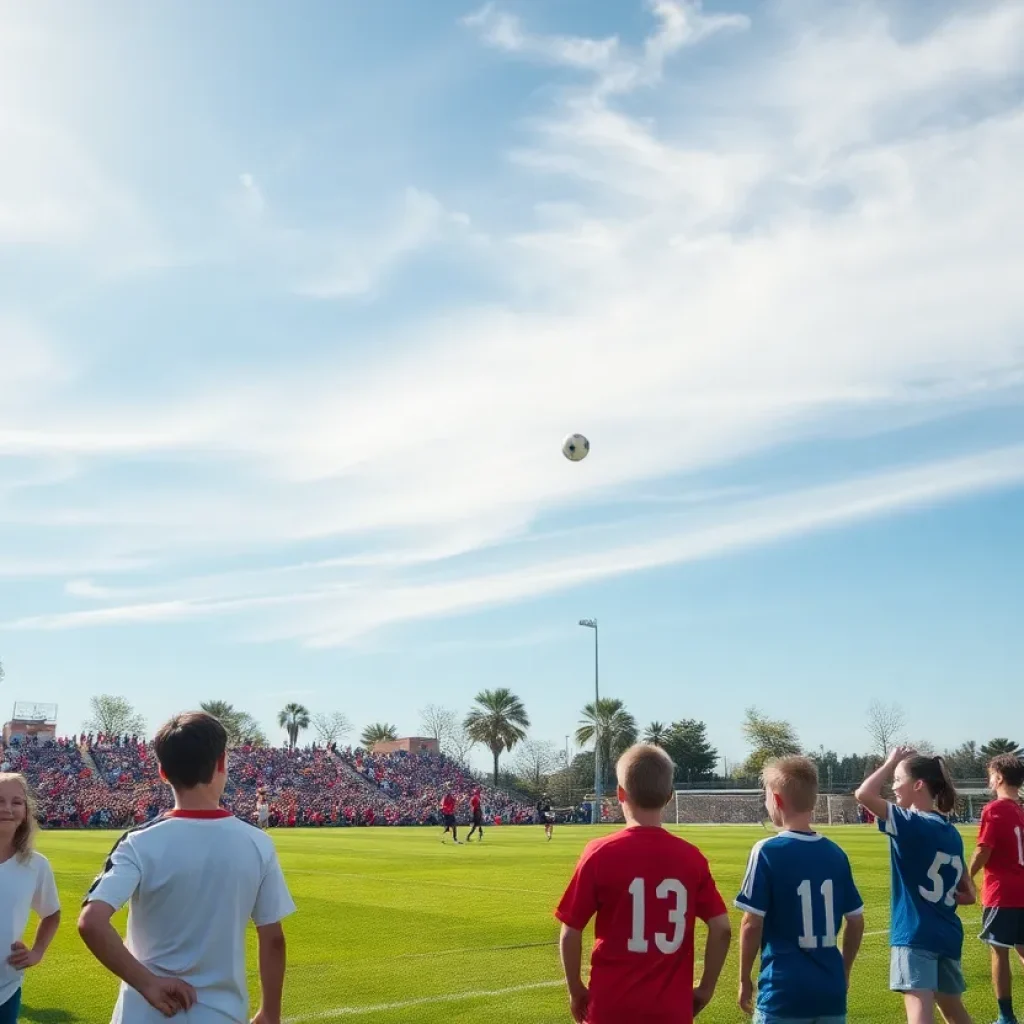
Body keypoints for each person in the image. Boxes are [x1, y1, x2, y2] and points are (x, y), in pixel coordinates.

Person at [78, 711, 296, 1024]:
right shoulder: (257, 843)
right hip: (221, 1014)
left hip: (143, 1014)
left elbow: (91, 922)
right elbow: (273, 938)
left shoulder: (139, 842)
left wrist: (148, 983)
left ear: (162, 771)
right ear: (222, 763)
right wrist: (270, 1013)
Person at [555, 743, 731, 1023]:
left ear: (620, 794)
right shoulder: (691, 858)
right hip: (671, 1011)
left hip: (611, 1008)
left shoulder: (600, 852)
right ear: (670, 797)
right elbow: (721, 928)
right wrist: (705, 989)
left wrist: (576, 990)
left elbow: (570, 931)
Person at [736, 756, 865, 1024]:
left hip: (783, 991)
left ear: (777, 800)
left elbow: (751, 923)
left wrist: (744, 978)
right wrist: (844, 969)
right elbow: (855, 920)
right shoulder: (836, 854)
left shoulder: (767, 851)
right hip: (830, 991)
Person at [856, 746, 976, 1024]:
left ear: (918, 784)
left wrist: (891, 761)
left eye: (898, 780)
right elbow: (968, 894)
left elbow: (863, 795)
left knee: (919, 1013)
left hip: (915, 933)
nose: (894, 787)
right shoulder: (951, 832)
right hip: (947, 934)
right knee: (953, 1009)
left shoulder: (910, 822)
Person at [0, 773, 61, 1024]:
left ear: (26, 811)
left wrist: (37, 952)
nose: (7, 808)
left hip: (6, 989)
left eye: (16, 802)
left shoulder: (35, 865)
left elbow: (52, 914)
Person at [969, 754, 1024, 1024]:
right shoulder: (1021, 811)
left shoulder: (994, 809)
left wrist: (966, 877)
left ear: (999, 777)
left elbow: (983, 850)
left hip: (1002, 893)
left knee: (999, 951)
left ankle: (1006, 1016)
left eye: (991, 774)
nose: (989, 780)